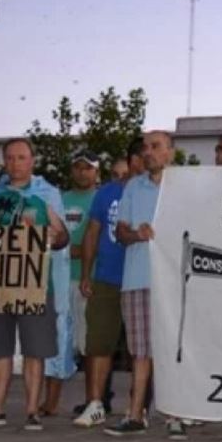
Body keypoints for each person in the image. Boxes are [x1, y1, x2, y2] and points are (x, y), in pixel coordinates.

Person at [0, 137, 70, 431]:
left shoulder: (47, 195)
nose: (15, 163)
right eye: (10, 158)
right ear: (4, 161)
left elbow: (63, 238)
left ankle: (32, 411)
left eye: (21, 157)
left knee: (35, 348)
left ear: (32, 161)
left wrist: (52, 234)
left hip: (35, 281)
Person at [104, 130, 184, 439]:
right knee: (140, 353)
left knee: (172, 350)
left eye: (156, 146)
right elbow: (121, 233)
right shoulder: (132, 188)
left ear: (170, 153)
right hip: (137, 279)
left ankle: (176, 416)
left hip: (174, 280)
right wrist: (138, 234)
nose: (148, 152)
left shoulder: (185, 186)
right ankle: (135, 415)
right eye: (145, 147)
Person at [74, 150, 136, 427]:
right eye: (116, 174)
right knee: (98, 343)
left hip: (140, 279)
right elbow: (91, 232)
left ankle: (139, 408)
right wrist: (87, 273)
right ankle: (95, 404)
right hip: (106, 278)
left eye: (127, 173)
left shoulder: (150, 191)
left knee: (142, 349)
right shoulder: (105, 193)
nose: (121, 179)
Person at [39, 149, 102, 417]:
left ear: (97, 171)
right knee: (55, 342)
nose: (82, 172)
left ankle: (92, 401)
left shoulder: (101, 198)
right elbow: (46, 238)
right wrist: (69, 248)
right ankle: (50, 402)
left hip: (88, 279)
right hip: (57, 279)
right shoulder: (58, 199)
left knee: (88, 344)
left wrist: (72, 249)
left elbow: (96, 242)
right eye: (77, 167)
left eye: (87, 167)